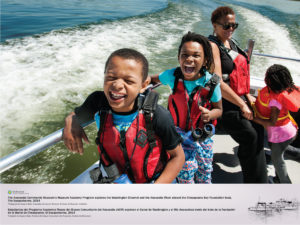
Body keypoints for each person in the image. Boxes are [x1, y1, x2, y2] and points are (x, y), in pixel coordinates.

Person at [63, 48, 185, 184]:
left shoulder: (158, 115)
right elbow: (75, 113)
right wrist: (70, 120)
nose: (117, 85)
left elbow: (178, 157)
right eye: (110, 77)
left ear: (143, 86)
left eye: (129, 81)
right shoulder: (97, 102)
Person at [151, 32, 222, 184]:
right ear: (179, 57)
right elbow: (152, 78)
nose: (189, 59)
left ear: (205, 61)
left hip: (203, 135)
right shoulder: (173, 76)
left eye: (196, 55)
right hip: (179, 134)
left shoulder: (212, 84)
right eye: (185, 54)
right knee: (185, 172)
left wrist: (210, 114)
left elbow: (219, 109)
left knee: (205, 170)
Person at [208, 6, 268, 183]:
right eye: (226, 25)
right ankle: (257, 183)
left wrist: (247, 96)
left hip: (239, 97)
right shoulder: (212, 46)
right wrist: (242, 105)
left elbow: (240, 75)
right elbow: (217, 81)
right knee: (250, 136)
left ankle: (254, 169)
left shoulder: (231, 43)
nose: (230, 29)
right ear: (215, 25)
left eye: (234, 25)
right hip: (222, 103)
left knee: (258, 128)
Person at [246, 64, 300, 183]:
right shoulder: (279, 92)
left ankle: (284, 183)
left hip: (281, 134)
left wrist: (252, 118)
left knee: (278, 160)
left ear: (270, 80)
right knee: (276, 149)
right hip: (287, 130)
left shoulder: (275, 100)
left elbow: (271, 122)